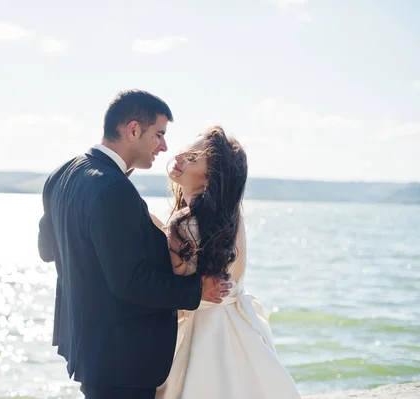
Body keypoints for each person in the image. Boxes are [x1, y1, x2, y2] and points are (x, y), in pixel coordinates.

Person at [37, 90, 232, 399]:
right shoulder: (115, 189)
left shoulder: (62, 174)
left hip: (88, 347)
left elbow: (48, 250)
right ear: (132, 130)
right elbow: (131, 282)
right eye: (159, 134)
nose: (164, 146)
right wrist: (198, 290)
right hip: (122, 357)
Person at [153, 126, 301, 399]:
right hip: (239, 327)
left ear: (209, 176)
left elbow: (179, 298)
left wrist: (146, 219)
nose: (181, 156)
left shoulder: (180, 225)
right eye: (187, 149)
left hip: (202, 334)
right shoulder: (232, 218)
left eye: (193, 157)